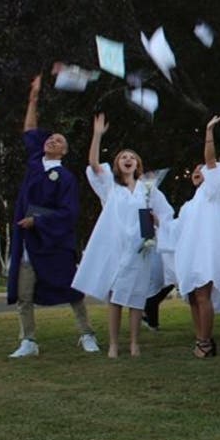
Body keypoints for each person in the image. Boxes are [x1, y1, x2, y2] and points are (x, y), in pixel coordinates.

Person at [6, 75, 98, 358]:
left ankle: (86, 334)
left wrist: (39, 220)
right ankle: (28, 341)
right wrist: (33, 98)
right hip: (28, 240)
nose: (51, 140)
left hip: (54, 241)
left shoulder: (66, 177)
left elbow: (68, 212)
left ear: (64, 151)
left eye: (58, 140)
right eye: (50, 138)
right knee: (24, 294)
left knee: (72, 290)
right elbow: (30, 129)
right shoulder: (35, 162)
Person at [72, 114, 172, 358]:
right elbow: (94, 164)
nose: (128, 160)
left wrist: (157, 222)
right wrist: (97, 135)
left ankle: (135, 343)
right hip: (117, 245)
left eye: (132, 157)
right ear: (117, 164)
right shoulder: (110, 185)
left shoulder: (148, 188)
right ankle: (114, 344)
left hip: (142, 242)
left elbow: (163, 212)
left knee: (137, 296)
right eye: (123, 157)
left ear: (138, 164)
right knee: (116, 297)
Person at [173, 116, 220, 358]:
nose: (199, 171)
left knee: (203, 296)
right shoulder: (191, 203)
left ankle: (205, 342)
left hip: (206, 252)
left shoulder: (214, 191)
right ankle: (200, 338)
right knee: (194, 297)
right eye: (196, 170)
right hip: (190, 253)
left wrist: (208, 132)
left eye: (202, 169)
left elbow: (210, 159)